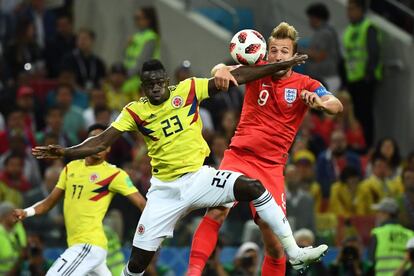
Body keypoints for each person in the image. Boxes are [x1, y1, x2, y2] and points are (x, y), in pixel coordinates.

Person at [31, 58, 329, 275]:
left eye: (161, 81)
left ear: (166, 79)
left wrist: (276, 67)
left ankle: (294, 253)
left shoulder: (187, 90)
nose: (157, 87)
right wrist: (65, 152)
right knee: (137, 263)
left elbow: (238, 76)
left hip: (200, 178)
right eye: (151, 84)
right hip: (164, 192)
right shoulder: (135, 111)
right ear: (143, 86)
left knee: (253, 187)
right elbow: (101, 142)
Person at [188, 22, 343, 276]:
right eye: (273, 50)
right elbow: (221, 68)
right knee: (216, 212)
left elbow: (335, 103)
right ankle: (192, 273)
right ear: (265, 52)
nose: (277, 56)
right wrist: (220, 70)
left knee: (274, 244)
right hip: (238, 156)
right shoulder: (257, 70)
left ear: (293, 56)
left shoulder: (306, 83)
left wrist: (320, 102)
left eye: (284, 51)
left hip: (271, 167)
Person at [14, 124, 146, 275]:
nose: (98, 145)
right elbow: (48, 203)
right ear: (85, 144)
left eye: (103, 142)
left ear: (108, 148)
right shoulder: (71, 168)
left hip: (88, 245)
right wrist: (26, 212)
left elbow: (142, 203)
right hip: (78, 245)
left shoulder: (115, 174)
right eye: (93, 140)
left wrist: (153, 234)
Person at [343, 0, 382, 147]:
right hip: (352, 79)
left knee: (365, 115)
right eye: (348, 9)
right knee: (355, 115)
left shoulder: (368, 27)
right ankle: (356, 142)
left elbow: (374, 52)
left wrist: (369, 74)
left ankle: (367, 145)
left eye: (352, 9)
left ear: (360, 10)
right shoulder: (348, 31)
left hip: (365, 80)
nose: (349, 12)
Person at [368, 197, 414, 276]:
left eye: (380, 212)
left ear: (387, 214)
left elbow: (370, 261)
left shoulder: (378, 233)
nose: (378, 215)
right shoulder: (410, 234)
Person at [303, 2, 341, 91]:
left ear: (315, 18)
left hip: (327, 79)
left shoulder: (324, 33)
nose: (309, 21)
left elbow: (320, 56)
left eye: (310, 18)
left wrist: (298, 51)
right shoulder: (323, 32)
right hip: (323, 79)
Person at [124, 6, 160, 93]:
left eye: (139, 18)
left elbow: (143, 62)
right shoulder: (136, 36)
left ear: (148, 20)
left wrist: (124, 76)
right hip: (128, 79)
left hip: (138, 81)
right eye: (135, 18)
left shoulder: (150, 37)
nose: (136, 21)